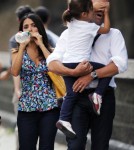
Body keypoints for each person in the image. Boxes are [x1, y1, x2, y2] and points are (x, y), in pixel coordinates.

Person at [47, 0, 128, 149]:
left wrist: (92, 75)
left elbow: (119, 65)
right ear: (86, 12)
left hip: (103, 98)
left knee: (100, 145)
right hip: (77, 97)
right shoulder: (68, 33)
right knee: (75, 144)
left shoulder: (113, 34)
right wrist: (73, 72)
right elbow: (52, 63)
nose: (99, 8)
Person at [11, 13, 60, 150]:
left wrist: (41, 45)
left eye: (33, 26)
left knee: (47, 147)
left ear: (39, 28)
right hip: (27, 108)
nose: (30, 29)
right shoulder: (16, 51)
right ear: (22, 31)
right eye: (26, 27)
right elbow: (15, 72)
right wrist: (22, 47)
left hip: (49, 107)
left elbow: (55, 69)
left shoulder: (50, 50)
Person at [9, 5, 34, 150]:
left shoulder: (15, 38)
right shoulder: (17, 40)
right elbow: (15, 68)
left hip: (28, 89)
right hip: (26, 90)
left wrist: (18, 90)